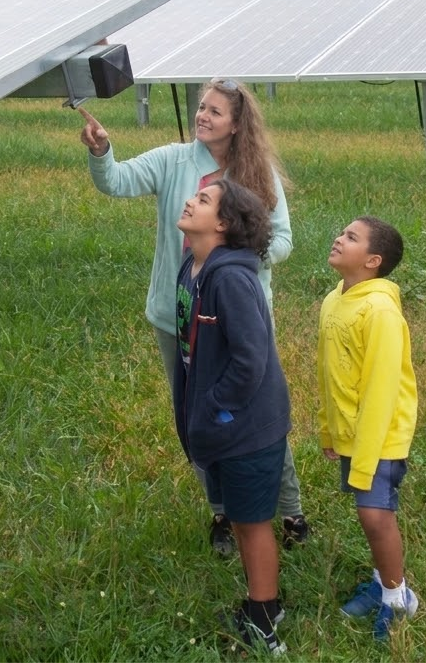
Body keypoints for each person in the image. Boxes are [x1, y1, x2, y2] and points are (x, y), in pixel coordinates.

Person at [79, 78, 310, 555]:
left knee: (256, 413)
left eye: (215, 111)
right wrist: (102, 152)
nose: (203, 115)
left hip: (240, 317)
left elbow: (282, 240)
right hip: (177, 315)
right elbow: (116, 181)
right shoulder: (173, 160)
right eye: (201, 107)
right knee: (197, 414)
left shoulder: (257, 172)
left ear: (237, 124)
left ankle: (289, 509)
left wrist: (229, 257)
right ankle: (222, 512)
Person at [174, 178, 291, 654]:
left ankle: (263, 619)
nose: (189, 200)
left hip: (246, 426)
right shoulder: (193, 267)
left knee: (253, 520)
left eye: (202, 200)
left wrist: (215, 405)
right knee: (241, 517)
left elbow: (251, 359)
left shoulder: (231, 279)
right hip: (220, 424)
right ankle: (264, 600)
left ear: (222, 224)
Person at [317, 217, 420, 642]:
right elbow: (329, 373)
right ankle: (382, 581)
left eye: (351, 237)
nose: (339, 238)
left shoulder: (379, 311)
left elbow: (381, 388)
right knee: (368, 514)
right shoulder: (333, 299)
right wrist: (329, 431)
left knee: (375, 515)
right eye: (341, 232)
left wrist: (366, 456)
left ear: (373, 260)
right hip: (353, 436)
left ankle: (399, 600)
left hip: (380, 437)